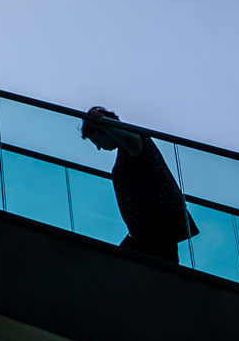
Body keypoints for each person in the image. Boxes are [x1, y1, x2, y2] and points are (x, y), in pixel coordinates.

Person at [81, 105, 197, 264]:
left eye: (96, 140)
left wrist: (104, 124)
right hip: (149, 227)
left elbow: (134, 144)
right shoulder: (127, 148)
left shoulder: (135, 140)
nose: (99, 147)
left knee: (129, 265)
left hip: (157, 225)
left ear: (105, 130)